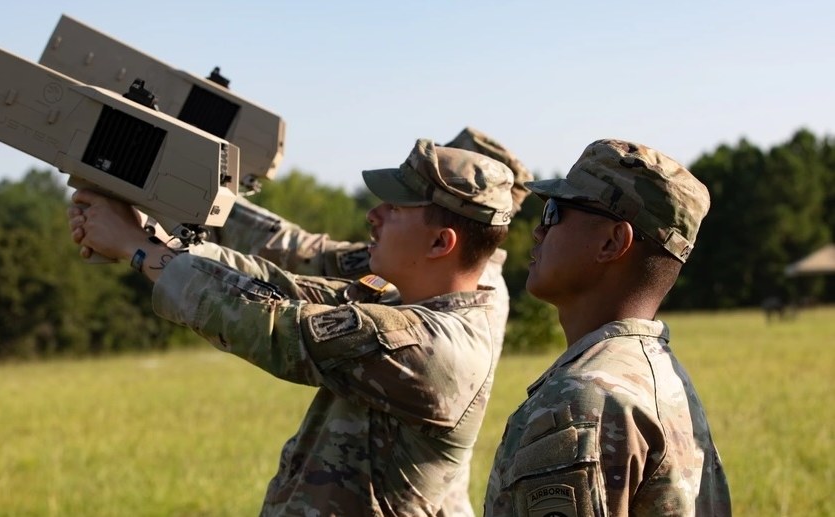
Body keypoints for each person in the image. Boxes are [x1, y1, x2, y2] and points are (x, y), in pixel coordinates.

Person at [69, 138, 517, 516]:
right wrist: (153, 239)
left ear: (441, 242)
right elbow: (280, 287)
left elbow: (276, 326)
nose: (373, 215)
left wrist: (139, 250)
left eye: (396, 208)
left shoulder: (436, 346)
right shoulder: (396, 298)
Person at [483, 139, 732, 516]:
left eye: (554, 212)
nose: (538, 231)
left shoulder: (585, 399)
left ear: (612, 241)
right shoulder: (655, 373)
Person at [205, 127, 533, 352]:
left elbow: (304, 268)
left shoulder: (443, 282)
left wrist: (208, 204)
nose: (375, 216)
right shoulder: (436, 264)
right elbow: (315, 267)